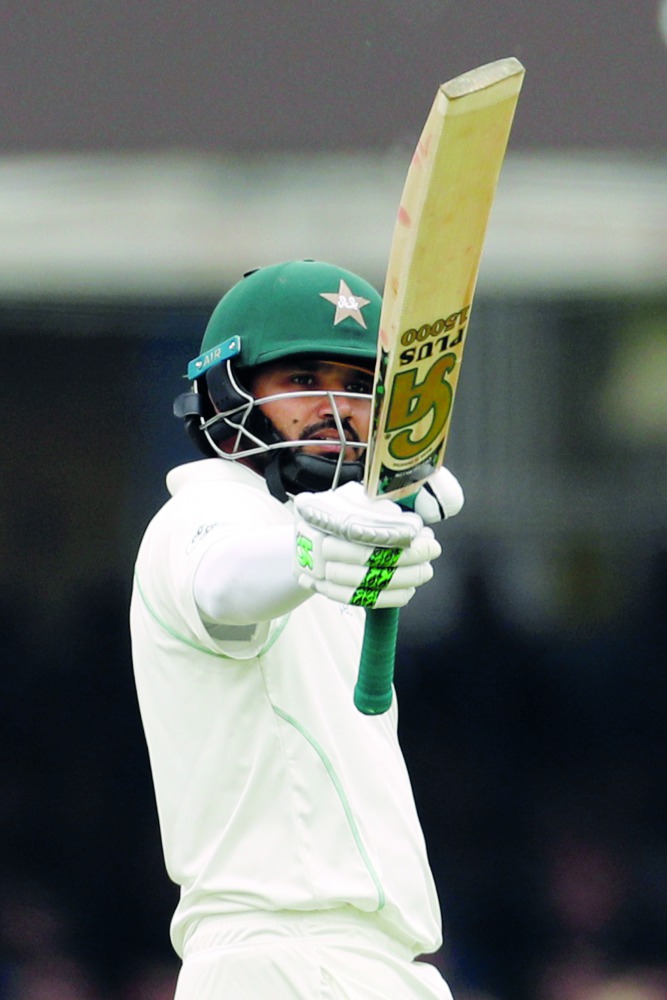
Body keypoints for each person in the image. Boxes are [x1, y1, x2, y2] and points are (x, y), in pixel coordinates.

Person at [130, 259, 464, 1000]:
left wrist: (356, 539)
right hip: (277, 957)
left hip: (373, 963)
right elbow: (225, 579)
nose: (335, 406)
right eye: (302, 379)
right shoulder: (203, 513)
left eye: (356, 385)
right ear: (226, 391)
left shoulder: (321, 533)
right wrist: (315, 552)